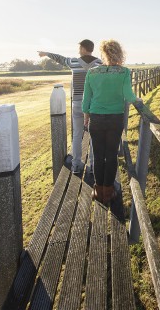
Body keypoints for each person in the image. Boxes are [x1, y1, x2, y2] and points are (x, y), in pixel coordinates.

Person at [82, 40, 142, 203]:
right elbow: (128, 96)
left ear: (103, 53)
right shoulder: (123, 72)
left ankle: (97, 190)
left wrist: (86, 117)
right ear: (119, 53)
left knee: (98, 155)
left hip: (96, 118)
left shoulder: (92, 72)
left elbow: (86, 98)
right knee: (111, 155)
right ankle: (108, 192)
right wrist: (138, 100)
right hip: (115, 119)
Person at [38, 39, 102, 174]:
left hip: (78, 103)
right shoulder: (99, 64)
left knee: (77, 134)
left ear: (84, 48)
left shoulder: (74, 62)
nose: (78, 50)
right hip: (94, 104)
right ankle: (93, 167)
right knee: (94, 136)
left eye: (80, 48)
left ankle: (76, 165)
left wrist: (46, 53)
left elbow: (60, 59)